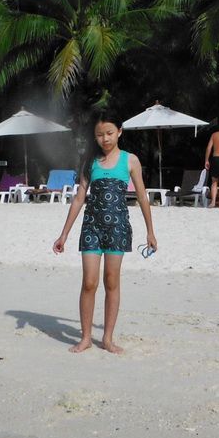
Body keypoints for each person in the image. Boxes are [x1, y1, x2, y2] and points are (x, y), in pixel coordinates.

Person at [53, 111, 157, 355]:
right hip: (91, 227)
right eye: (100, 135)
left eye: (110, 133)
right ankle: (86, 337)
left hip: (118, 228)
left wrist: (151, 232)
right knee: (89, 283)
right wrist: (64, 234)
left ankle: (107, 339)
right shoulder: (90, 162)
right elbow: (80, 197)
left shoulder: (130, 160)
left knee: (112, 282)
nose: (105, 139)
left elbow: (142, 195)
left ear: (120, 132)